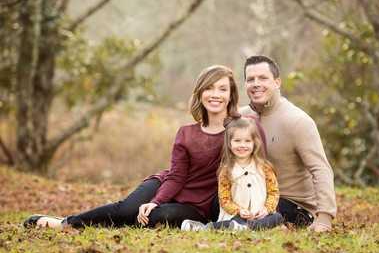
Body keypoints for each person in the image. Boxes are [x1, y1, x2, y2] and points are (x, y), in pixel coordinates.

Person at [24, 65, 242, 229]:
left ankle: (113, 222)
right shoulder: (186, 133)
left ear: (231, 95)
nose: (215, 94)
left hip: (199, 205)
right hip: (167, 184)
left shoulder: (241, 130)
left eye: (222, 89)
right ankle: (66, 223)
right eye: (209, 88)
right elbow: (176, 177)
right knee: (128, 209)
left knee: (156, 217)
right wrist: (155, 200)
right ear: (200, 93)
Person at [239, 55, 336, 233]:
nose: (256, 84)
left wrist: (324, 218)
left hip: (292, 205)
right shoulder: (240, 119)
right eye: (250, 79)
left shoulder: (298, 121)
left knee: (249, 216)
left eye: (263, 78)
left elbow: (320, 169)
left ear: (277, 83)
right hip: (253, 199)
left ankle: (231, 227)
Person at [181, 117, 282, 231]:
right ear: (229, 143)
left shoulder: (264, 167)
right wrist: (238, 211)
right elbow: (224, 200)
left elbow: (273, 192)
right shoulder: (226, 171)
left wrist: (266, 209)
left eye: (247, 141)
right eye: (237, 141)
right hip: (237, 217)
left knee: (277, 217)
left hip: (261, 217)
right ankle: (204, 227)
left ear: (255, 143)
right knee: (232, 222)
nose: (242, 145)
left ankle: (246, 228)